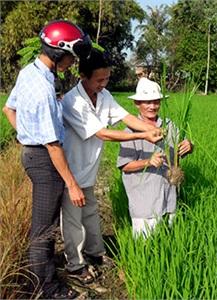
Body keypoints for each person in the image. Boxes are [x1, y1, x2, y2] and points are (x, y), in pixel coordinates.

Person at [2, 20, 92, 299]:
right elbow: (53, 146)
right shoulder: (42, 89)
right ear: (59, 52)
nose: (72, 62)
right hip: (44, 160)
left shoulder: (30, 73)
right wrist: (73, 185)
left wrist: (28, 134)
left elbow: (8, 109)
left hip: (33, 153)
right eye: (71, 56)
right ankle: (46, 287)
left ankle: (41, 278)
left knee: (43, 225)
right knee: (44, 229)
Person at [61, 48, 163, 284]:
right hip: (72, 173)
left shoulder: (104, 95)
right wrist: (143, 137)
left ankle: (95, 255)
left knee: (91, 215)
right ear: (83, 76)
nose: (103, 83)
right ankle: (75, 266)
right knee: (73, 221)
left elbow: (127, 118)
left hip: (89, 171)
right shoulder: (72, 102)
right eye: (99, 79)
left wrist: (152, 129)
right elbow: (102, 134)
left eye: (106, 78)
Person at [117, 79, 193, 238]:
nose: (152, 106)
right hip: (145, 200)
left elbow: (178, 153)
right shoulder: (130, 131)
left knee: (169, 240)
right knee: (145, 246)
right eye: (147, 102)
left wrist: (188, 146)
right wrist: (147, 162)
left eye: (156, 102)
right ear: (137, 104)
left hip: (169, 197)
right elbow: (124, 166)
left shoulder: (169, 125)